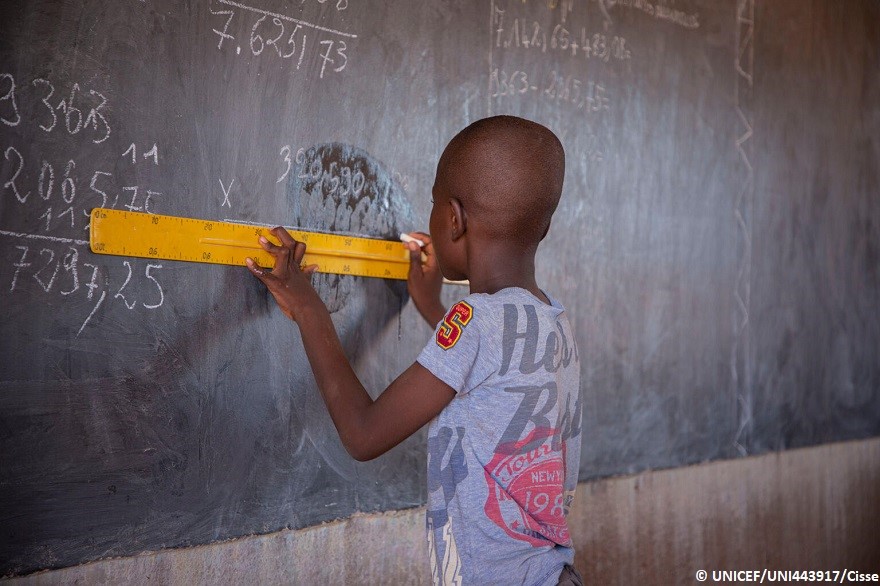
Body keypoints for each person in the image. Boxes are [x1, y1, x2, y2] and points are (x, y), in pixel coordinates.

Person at [246, 115, 583, 586]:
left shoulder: (472, 323)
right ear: (543, 229)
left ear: (453, 219)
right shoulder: (552, 320)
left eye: (431, 204)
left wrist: (308, 308)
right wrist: (431, 305)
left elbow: (363, 434)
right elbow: (490, 369)